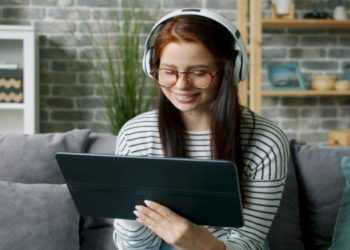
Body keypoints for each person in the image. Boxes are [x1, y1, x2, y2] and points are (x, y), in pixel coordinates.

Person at [113, 8, 289, 250]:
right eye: (169, 72)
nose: (182, 85)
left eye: (198, 72)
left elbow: (249, 242)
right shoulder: (135, 135)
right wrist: (128, 214)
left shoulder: (266, 140)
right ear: (152, 68)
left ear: (230, 70)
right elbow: (135, 247)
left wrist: (197, 242)